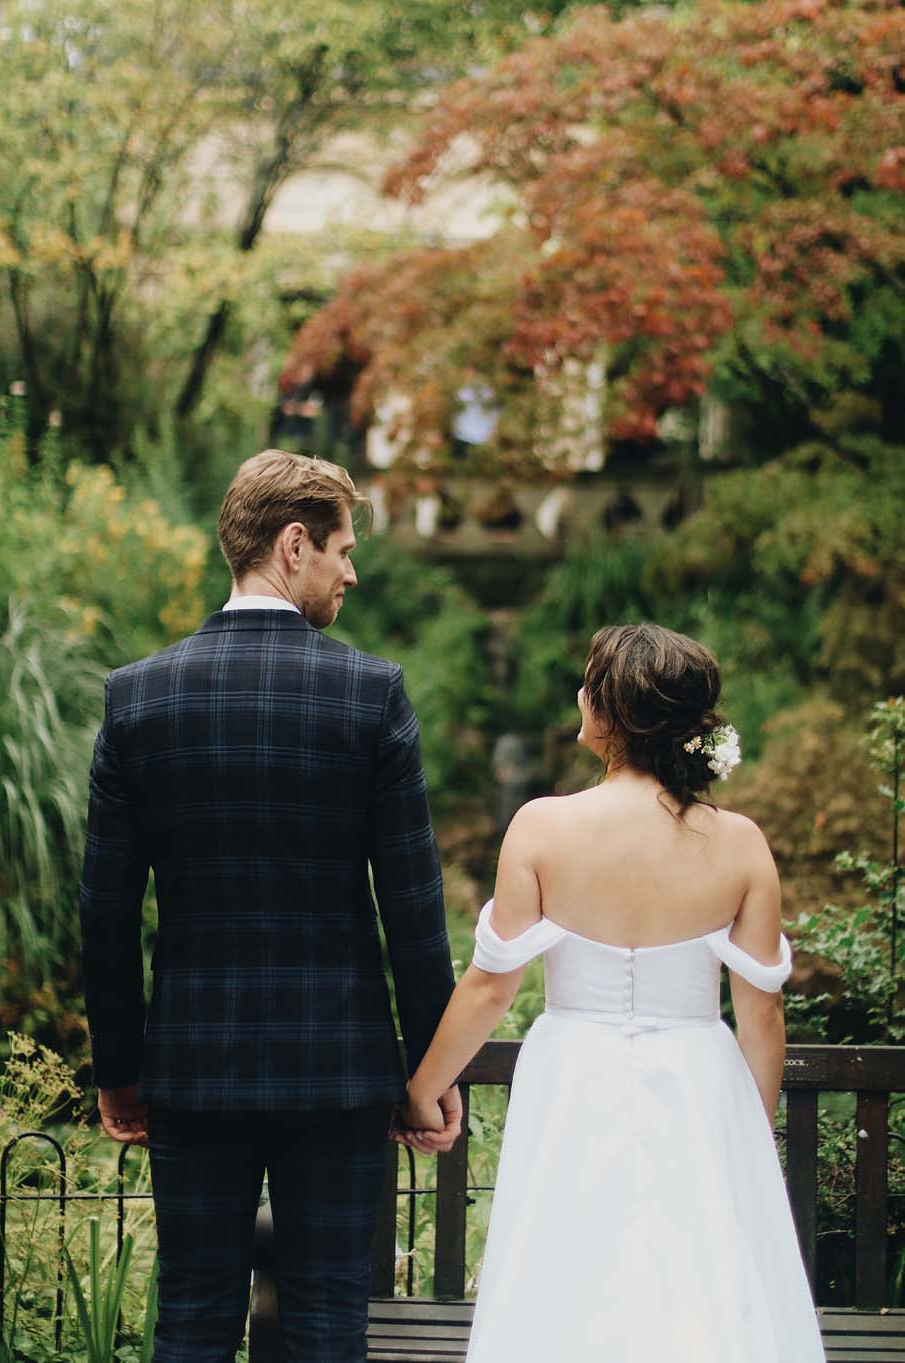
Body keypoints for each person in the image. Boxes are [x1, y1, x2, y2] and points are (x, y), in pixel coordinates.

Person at [79, 449, 461, 1363]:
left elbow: (105, 911)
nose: (351, 571)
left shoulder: (137, 700)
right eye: (341, 550)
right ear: (294, 546)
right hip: (339, 1073)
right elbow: (412, 904)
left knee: (193, 1316)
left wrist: (119, 1067)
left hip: (192, 1068)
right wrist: (429, 1070)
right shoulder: (373, 694)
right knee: (331, 1321)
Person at [399, 622, 825, 1362]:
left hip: (574, 1074)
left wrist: (422, 1088)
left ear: (607, 713)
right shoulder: (740, 842)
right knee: (703, 1286)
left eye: (587, 684)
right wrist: (744, 1138)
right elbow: (760, 1009)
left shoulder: (540, 825)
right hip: (701, 1078)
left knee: (567, 1270)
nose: (577, 695)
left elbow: (492, 986)